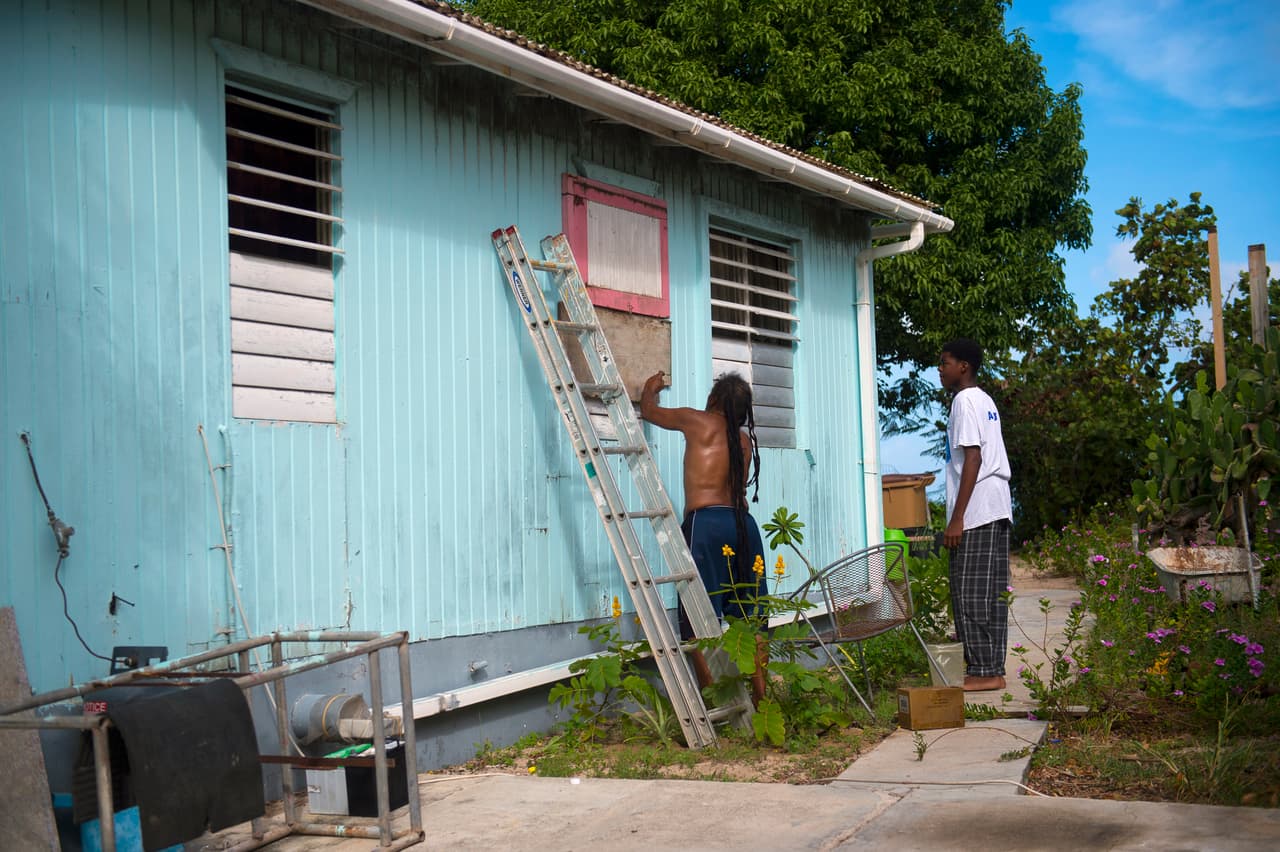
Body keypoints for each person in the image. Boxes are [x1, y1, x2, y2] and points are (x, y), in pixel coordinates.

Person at [640, 370, 768, 704]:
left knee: (695, 614)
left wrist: (650, 389)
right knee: (751, 614)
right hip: (743, 526)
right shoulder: (743, 440)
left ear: (714, 400)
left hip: (706, 523)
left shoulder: (696, 421)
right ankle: (761, 696)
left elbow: (649, 412)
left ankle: (710, 694)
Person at [938, 339, 1013, 692]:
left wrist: (957, 518)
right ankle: (991, 668)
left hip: (979, 507)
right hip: (998, 504)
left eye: (945, 362)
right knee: (992, 590)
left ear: (963, 366)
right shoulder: (985, 399)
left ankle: (984, 671)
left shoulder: (964, 400)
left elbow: (974, 457)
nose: (941, 369)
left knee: (969, 591)